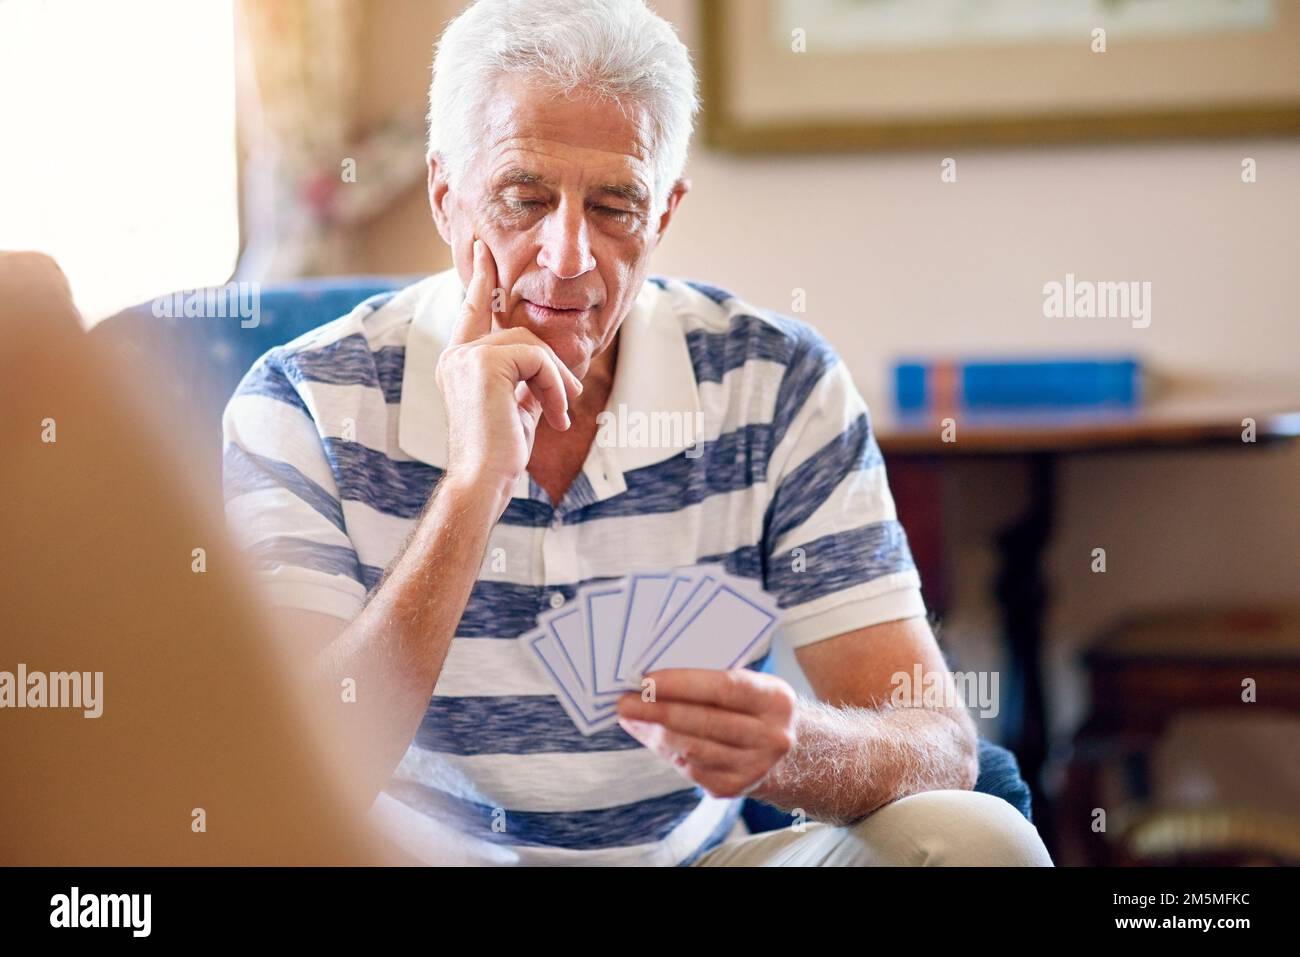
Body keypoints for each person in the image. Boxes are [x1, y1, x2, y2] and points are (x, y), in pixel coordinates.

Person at [221, 0, 1052, 866]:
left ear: (663, 214)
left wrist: (795, 748)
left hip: (696, 861)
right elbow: (289, 774)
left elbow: (940, 743)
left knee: (977, 836)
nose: (569, 253)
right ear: (445, 195)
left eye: (615, 205)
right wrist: (473, 485)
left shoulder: (775, 379)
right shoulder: (302, 397)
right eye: (524, 197)